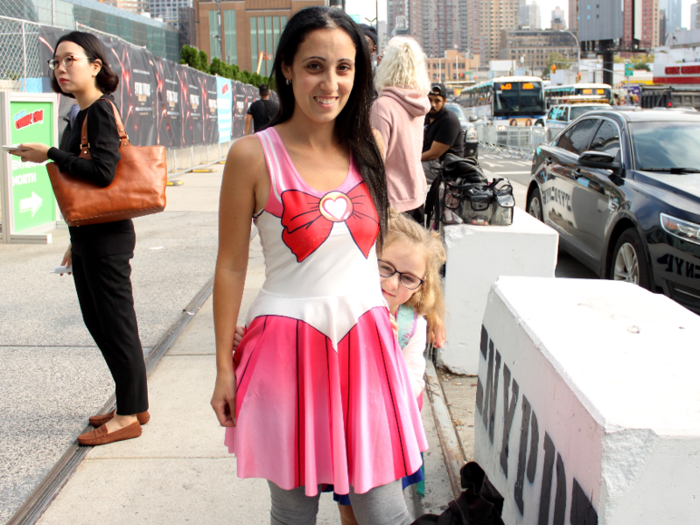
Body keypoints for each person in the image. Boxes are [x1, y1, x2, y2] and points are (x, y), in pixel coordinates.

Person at [210, 7, 427, 525]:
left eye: (344, 68)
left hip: (367, 343)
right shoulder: (250, 156)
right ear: (286, 67)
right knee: (292, 513)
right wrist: (222, 366)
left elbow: (378, 246)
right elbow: (230, 266)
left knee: (384, 509)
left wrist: (423, 299)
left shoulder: (368, 147)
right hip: (285, 345)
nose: (330, 83)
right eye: (314, 66)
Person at [228, 208, 447, 525]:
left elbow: (412, 382)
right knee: (312, 508)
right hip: (321, 419)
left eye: (408, 277)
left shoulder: (411, 325)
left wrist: (384, 353)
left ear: (420, 285)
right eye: (384, 268)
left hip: (373, 427)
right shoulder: (334, 301)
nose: (392, 282)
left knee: (375, 508)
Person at [11, 32, 149, 446]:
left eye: (70, 59)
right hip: (91, 235)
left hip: (108, 238)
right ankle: (133, 402)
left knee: (115, 325)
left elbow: (103, 174)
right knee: (100, 321)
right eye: (56, 62)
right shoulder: (81, 113)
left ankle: (128, 416)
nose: (61, 68)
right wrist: (75, 238)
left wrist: (51, 154)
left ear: (95, 65)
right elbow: (85, 190)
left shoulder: (100, 111)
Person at [370, 36, 431, 223]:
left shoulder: (383, 106)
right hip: (417, 194)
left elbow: (375, 159)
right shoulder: (420, 103)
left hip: (391, 201)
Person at [421, 83, 464, 183]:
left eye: (437, 101)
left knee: (409, 170)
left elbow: (434, 154)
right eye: (429, 100)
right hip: (431, 163)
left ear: (445, 101)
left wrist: (410, 160)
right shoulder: (425, 116)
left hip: (447, 167)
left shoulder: (449, 120)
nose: (432, 104)